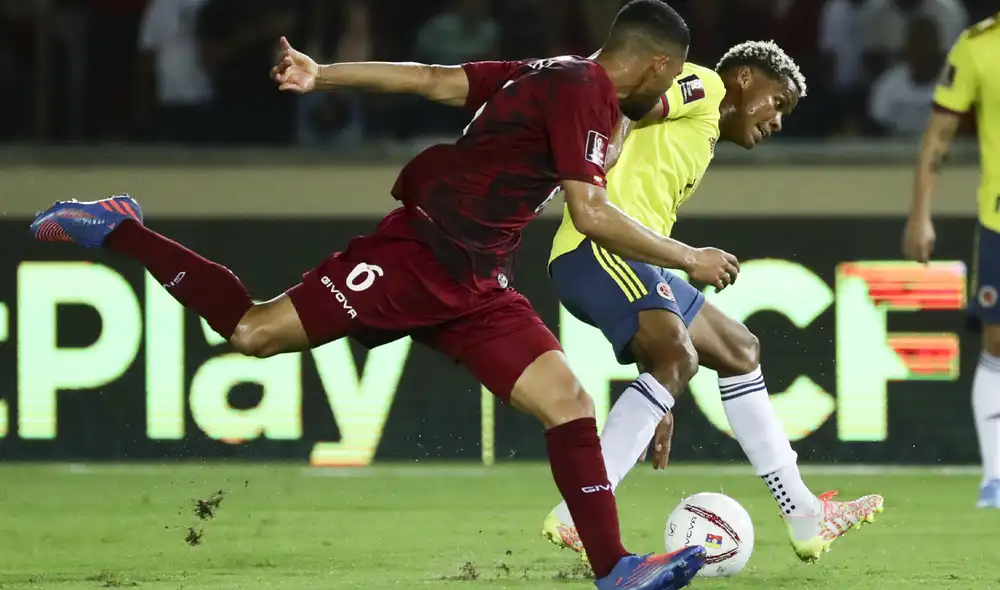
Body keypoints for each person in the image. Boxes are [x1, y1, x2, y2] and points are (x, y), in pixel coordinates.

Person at [29, 1, 738, 588]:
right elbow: (589, 213)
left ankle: (615, 568)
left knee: (569, 402)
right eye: (669, 81)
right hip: (415, 256)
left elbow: (433, 80)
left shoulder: (555, 75)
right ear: (659, 67)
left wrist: (323, 73)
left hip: (477, 282)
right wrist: (689, 257)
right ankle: (121, 229)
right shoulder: (584, 90)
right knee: (251, 334)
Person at [540, 40, 884, 563]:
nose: (778, 122)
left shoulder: (698, 136)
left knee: (738, 348)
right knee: (679, 356)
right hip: (598, 248)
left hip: (634, 260)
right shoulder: (705, 85)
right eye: (778, 103)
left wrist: (660, 385)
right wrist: (599, 151)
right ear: (745, 79)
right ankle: (577, 512)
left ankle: (805, 515)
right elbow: (628, 96)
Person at [903, 11, 1000, 508]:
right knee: (997, 341)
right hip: (998, 220)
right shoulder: (977, 46)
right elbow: (938, 137)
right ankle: (996, 478)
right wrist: (920, 215)